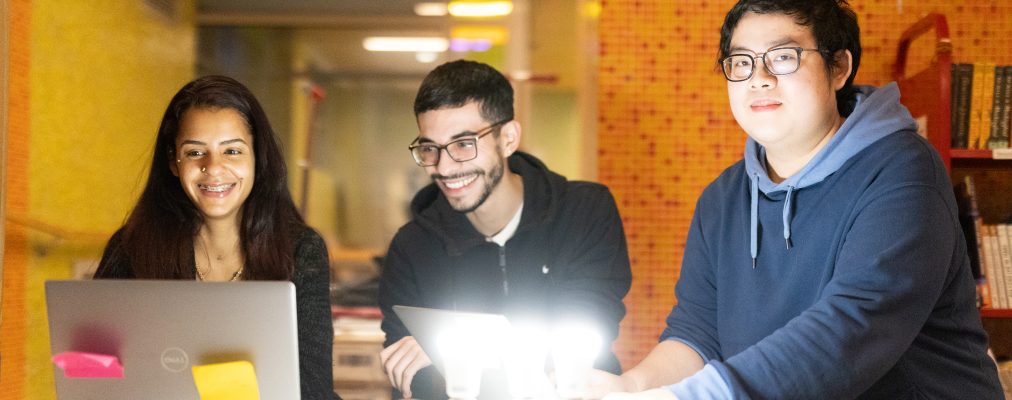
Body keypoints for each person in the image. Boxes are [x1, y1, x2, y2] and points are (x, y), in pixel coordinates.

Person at [589, 1, 1004, 399]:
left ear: (838, 67)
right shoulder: (722, 198)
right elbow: (698, 334)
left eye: (783, 57)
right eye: (741, 62)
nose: (759, 78)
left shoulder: (903, 171)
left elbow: (852, 329)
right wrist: (630, 386)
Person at [378, 59, 633, 399]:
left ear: (508, 138)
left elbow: (583, 333)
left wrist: (453, 355)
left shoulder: (584, 211)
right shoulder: (412, 246)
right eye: (430, 148)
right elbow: (411, 374)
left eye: (464, 144)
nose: (444, 167)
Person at [93, 75, 340, 400]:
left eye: (233, 151)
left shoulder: (300, 250)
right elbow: (96, 375)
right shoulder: (131, 247)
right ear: (173, 161)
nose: (214, 168)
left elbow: (313, 387)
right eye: (195, 152)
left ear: (257, 157)